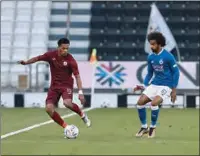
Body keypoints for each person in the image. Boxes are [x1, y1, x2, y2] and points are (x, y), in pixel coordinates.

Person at [18, 38, 91, 135]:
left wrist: (81, 92)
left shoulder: (71, 60)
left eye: (67, 49)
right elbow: (37, 58)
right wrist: (26, 62)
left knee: (67, 103)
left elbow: (77, 76)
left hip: (66, 86)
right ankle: (67, 127)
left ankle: (82, 114)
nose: (65, 50)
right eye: (63, 48)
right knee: (48, 108)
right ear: (58, 47)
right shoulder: (50, 55)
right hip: (54, 87)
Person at [133, 32, 180, 138]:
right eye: (150, 44)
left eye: (153, 44)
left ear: (159, 44)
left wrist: (174, 89)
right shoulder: (150, 57)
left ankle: (152, 128)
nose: (151, 46)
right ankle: (144, 127)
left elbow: (176, 72)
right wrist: (144, 85)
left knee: (154, 103)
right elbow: (150, 73)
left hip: (166, 86)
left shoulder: (168, 56)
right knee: (140, 102)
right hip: (155, 84)